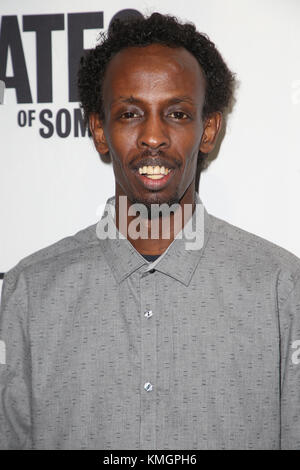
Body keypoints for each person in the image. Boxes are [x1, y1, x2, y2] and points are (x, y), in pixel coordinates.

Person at [0, 12, 299, 450]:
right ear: (100, 130)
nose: (153, 137)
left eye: (177, 113)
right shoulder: (30, 291)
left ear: (208, 129)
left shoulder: (281, 287)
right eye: (130, 114)